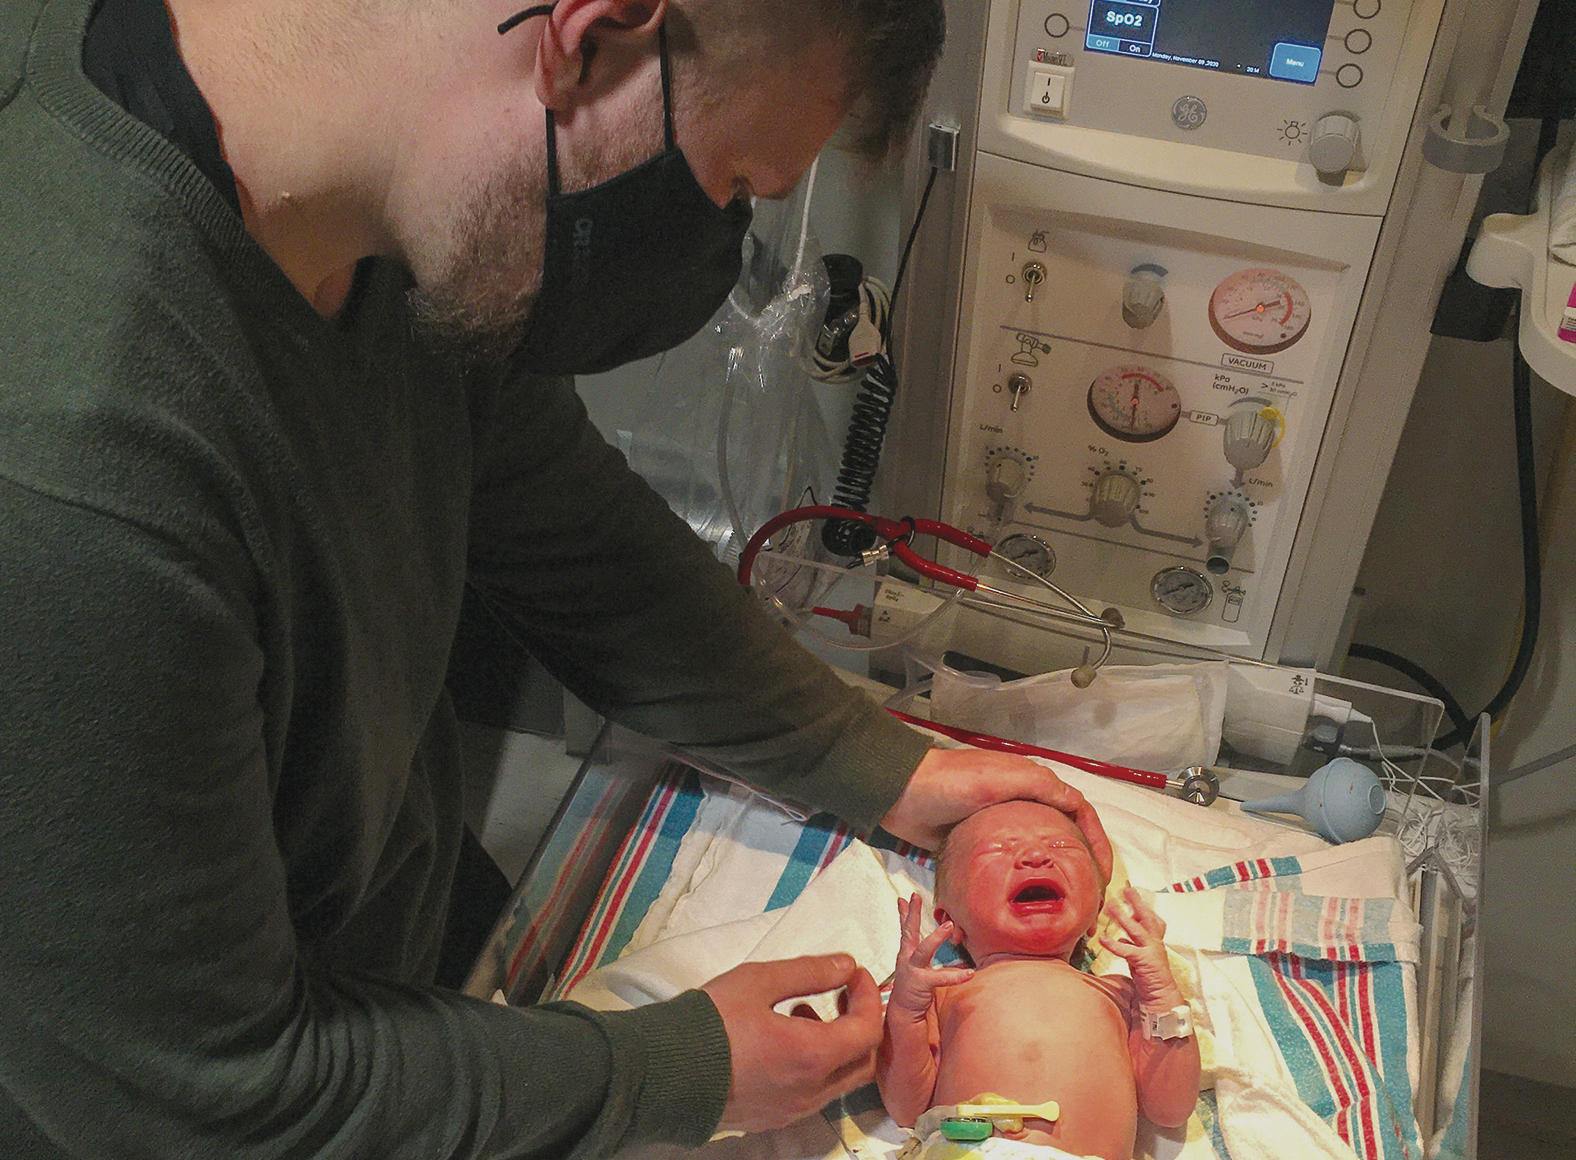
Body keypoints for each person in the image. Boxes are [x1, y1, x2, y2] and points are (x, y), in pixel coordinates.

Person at [0, 0, 1117, 1155]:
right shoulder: (72, 467)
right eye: (731, 186)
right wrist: (680, 1073)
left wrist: (884, 764)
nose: (714, 243)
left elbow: (568, 531)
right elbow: (205, 1097)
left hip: (371, 955)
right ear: (584, 41)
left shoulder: (385, 210)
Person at [876, 801, 1200, 1160]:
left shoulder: (1121, 994)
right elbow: (905, 1107)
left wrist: (1162, 998)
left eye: (1062, 846)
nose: (1035, 855)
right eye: (998, 848)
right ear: (949, 920)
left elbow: (1170, 1108)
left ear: (1094, 915)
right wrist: (906, 1012)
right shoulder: (944, 990)